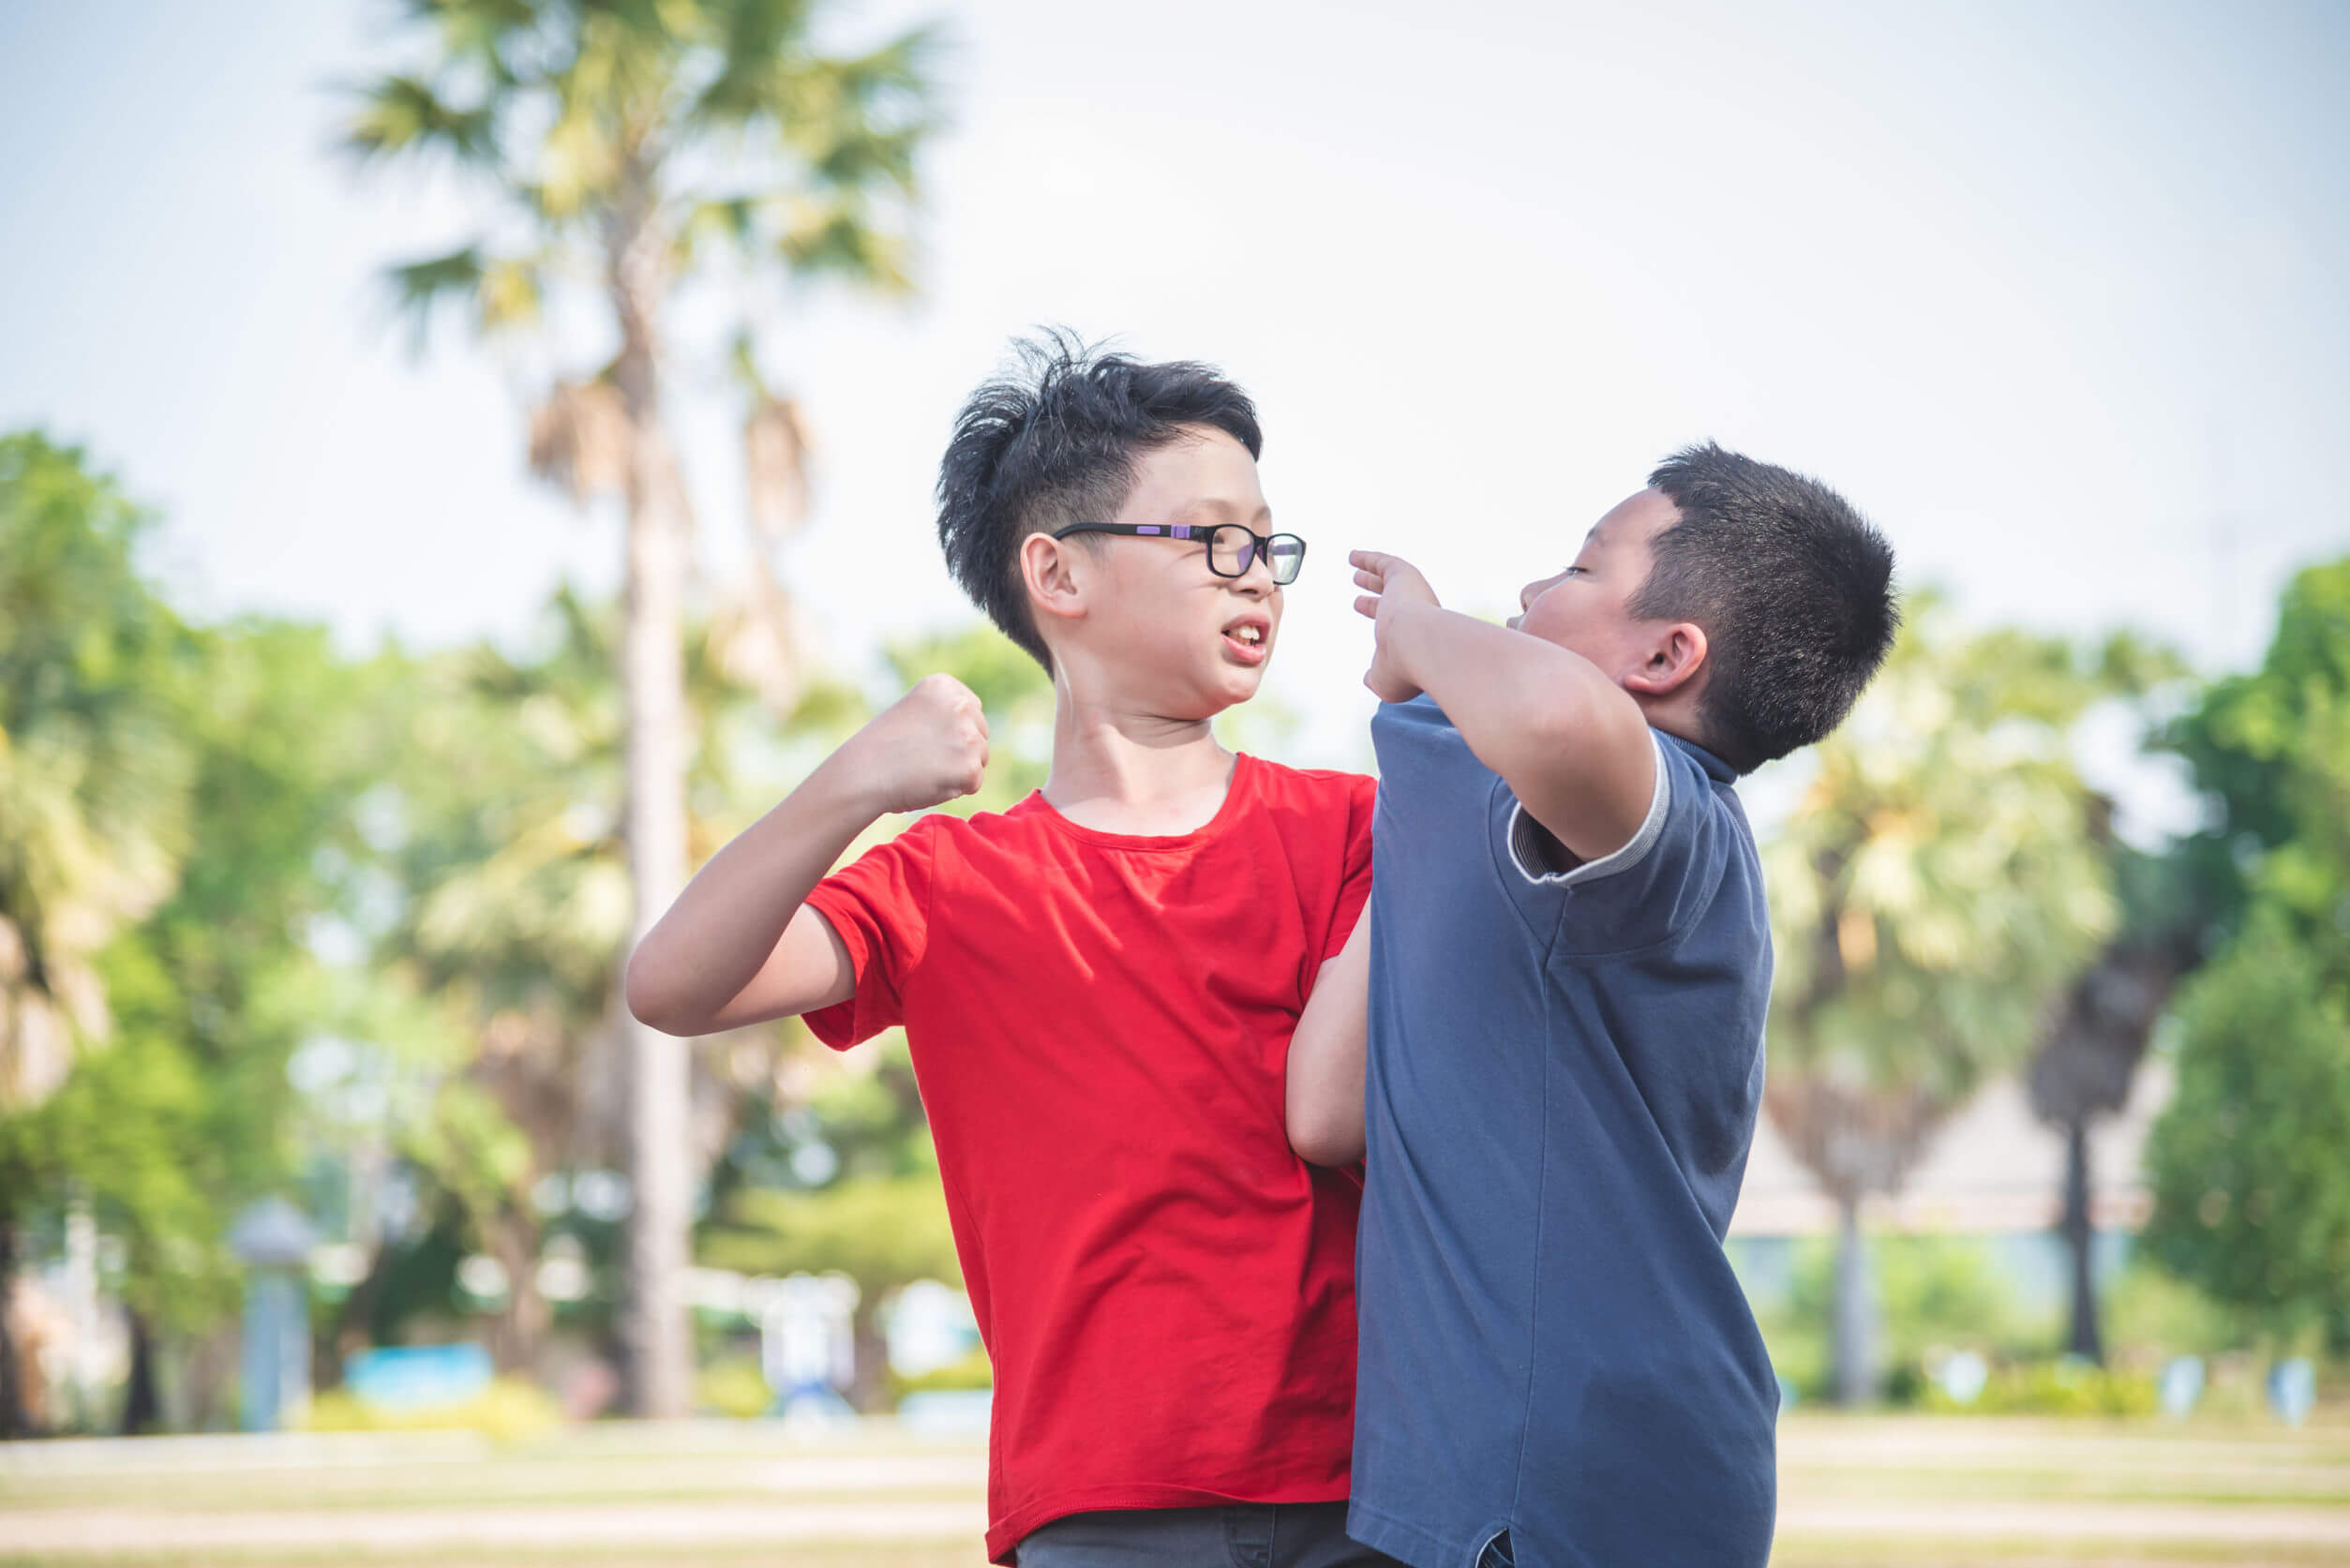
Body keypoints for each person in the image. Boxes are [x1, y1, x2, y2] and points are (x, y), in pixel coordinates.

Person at [627, 336, 1386, 1567]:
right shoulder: (945, 883)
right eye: (1210, 539)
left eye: (1265, 540)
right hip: (1094, 1500)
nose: (1256, 576)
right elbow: (670, 985)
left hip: (1365, 1480)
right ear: (1056, 573)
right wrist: (851, 784)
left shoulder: (1356, 828)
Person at [1284, 444, 1898, 1568]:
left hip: (1579, 1483)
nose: (1527, 593)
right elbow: (1324, 1113)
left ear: (1666, 655)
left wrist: (1420, 627)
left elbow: (1565, 726)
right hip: (1477, 1488)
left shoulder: (1678, 836)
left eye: (1576, 566)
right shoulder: (1523, 835)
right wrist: (1416, 822)